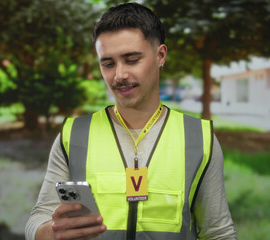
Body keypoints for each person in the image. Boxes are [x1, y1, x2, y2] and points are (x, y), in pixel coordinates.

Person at [25, 2, 237, 240]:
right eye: (108, 63)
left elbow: (219, 233)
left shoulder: (200, 139)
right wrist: (49, 233)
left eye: (132, 59)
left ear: (160, 55)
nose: (119, 75)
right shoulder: (73, 135)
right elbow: (38, 218)